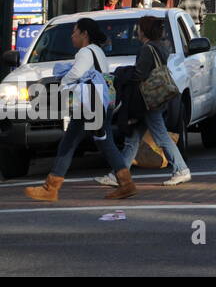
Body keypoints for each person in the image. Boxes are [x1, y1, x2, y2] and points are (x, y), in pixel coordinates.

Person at [25, 18, 137, 202]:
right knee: (104, 142)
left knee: (69, 142)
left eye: (75, 32)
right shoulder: (98, 51)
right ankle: (126, 184)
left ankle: (50, 188)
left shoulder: (85, 52)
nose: (72, 36)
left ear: (84, 34)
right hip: (103, 101)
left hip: (89, 103)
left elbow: (76, 74)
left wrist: (63, 83)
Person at [115, 16, 191, 186]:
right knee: (133, 138)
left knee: (161, 136)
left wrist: (122, 73)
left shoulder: (147, 49)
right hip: (154, 98)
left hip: (147, 101)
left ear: (144, 30)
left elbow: (140, 74)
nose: (137, 31)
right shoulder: (160, 46)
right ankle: (119, 174)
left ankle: (181, 169)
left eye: (139, 28)